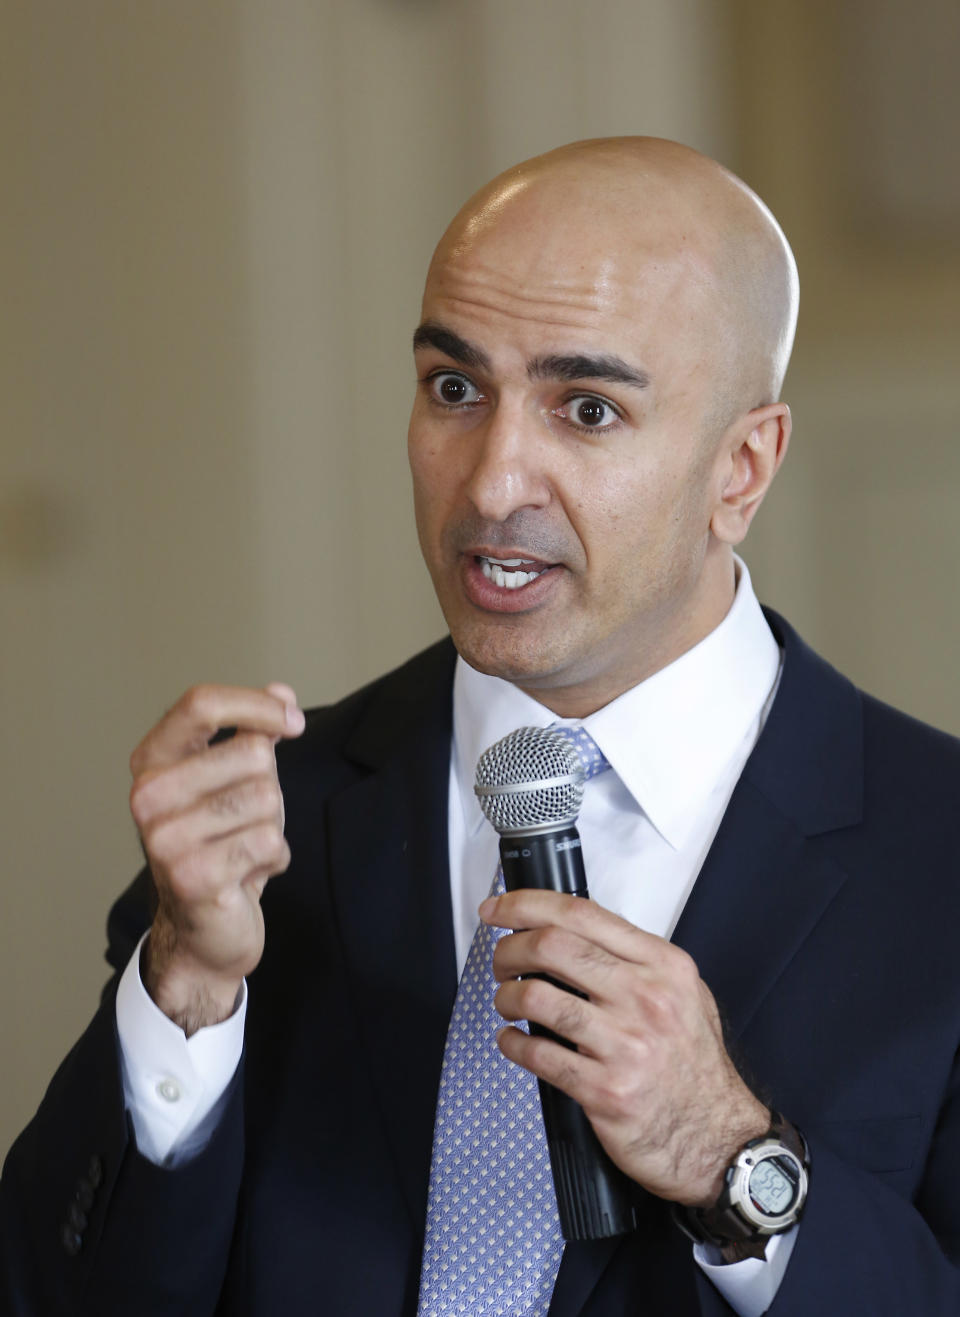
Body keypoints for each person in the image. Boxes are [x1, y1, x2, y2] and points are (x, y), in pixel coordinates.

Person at [3, 137, 959, 1316]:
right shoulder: (267, 828)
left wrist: (735, 1159)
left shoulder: (942, 857)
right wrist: (188, 992)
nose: (494, 480)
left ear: (742, 469)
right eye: (455, 389)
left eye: (588, 409)